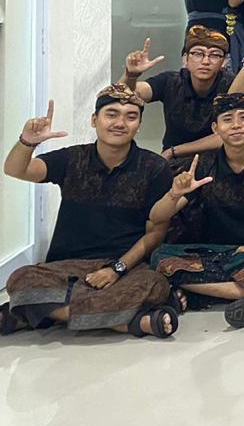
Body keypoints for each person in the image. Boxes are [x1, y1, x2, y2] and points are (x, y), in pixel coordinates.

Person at [2, 91, 176, 338]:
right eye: (111, 114)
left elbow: (155, 233)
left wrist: (116, 269)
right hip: (65, 267)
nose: (120, 123)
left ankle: (35, 313)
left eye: (130, 117)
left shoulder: (155, 167)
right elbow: (16, 170)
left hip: (125, 267)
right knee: (21, 278)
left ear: (138, 125)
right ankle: (127, 323)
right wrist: (27, 142)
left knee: (154, 284)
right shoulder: (72, 158)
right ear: (95, 120)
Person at [146, 92, 244, 328]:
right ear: (215, 128)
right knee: (160, 257)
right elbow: (156, 216)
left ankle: (203, 291)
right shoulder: (203, 164)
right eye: (228, 119)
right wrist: (175, 193)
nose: (236, 125)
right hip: (219, 253)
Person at [120, 26, 233, 163]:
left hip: (217, 160)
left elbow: (229, 135)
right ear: (185, 59)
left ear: (224, 61)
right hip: (173, 162)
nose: (205, 61)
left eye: (214, 55)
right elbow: (123, 95)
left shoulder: (231, 85)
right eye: (198, 54)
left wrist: (174, 151)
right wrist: (130, 75)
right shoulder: (172, 81)